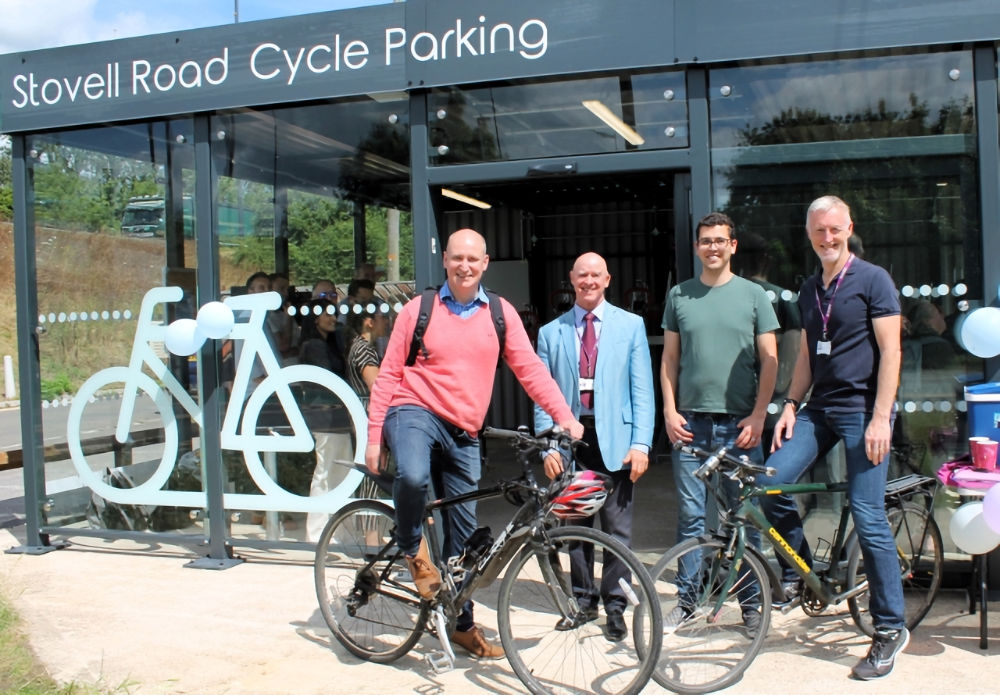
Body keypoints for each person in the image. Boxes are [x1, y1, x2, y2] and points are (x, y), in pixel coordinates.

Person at [365, 228, 583, 660]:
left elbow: (531, 370)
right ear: (445, 260)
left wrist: (564, 415)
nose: (465, 266)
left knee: (465, 538)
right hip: (415, 410)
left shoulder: (500, 314)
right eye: (457, 257)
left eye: (474, 259)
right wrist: (375, 437)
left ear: (485, 264)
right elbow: (389, 373)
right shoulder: (418, 310)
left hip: (464, 429)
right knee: (412, 474)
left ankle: (461, 624)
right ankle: (411, 547)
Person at [760, 195, 906, 681]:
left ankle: (890, 628)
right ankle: (805, 572)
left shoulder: (873, 280)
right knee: (769, 483)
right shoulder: (808, 288)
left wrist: (881, 417)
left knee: (867, 515)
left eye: (835, 229)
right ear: (810, 234)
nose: (827, 238)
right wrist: (790, 404)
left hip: (864, 411)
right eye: (819, 231)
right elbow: (806, 355)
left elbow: (891, 352)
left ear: (849, 228)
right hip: (819, 408)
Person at [660, 212, 779, 633]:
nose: (712, 247)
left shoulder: (754, 296)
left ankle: (751, 604)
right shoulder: (680, 296)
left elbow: (771, 359)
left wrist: (761, 413)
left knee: (742, 516)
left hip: (740, 426)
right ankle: (688, 600)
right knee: (691, 517)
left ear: (733, 246)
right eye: (705, 241)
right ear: (697, 247)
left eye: (720, 240)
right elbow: (669, 360)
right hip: (690, 425)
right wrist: (670, 411)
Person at [534, 252, 654, 642]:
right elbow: (541, 393)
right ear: (572, 279)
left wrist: (641, 444)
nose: (588, 281)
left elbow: (642, 390)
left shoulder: (630, 326)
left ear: (608, 279)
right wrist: (548, 447)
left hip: (616, 441)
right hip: (571, 440)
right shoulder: (551, 333)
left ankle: (615, 605)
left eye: (595, 275)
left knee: (617, 529)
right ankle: (583, 601)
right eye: (581, 275)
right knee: (574, 525)